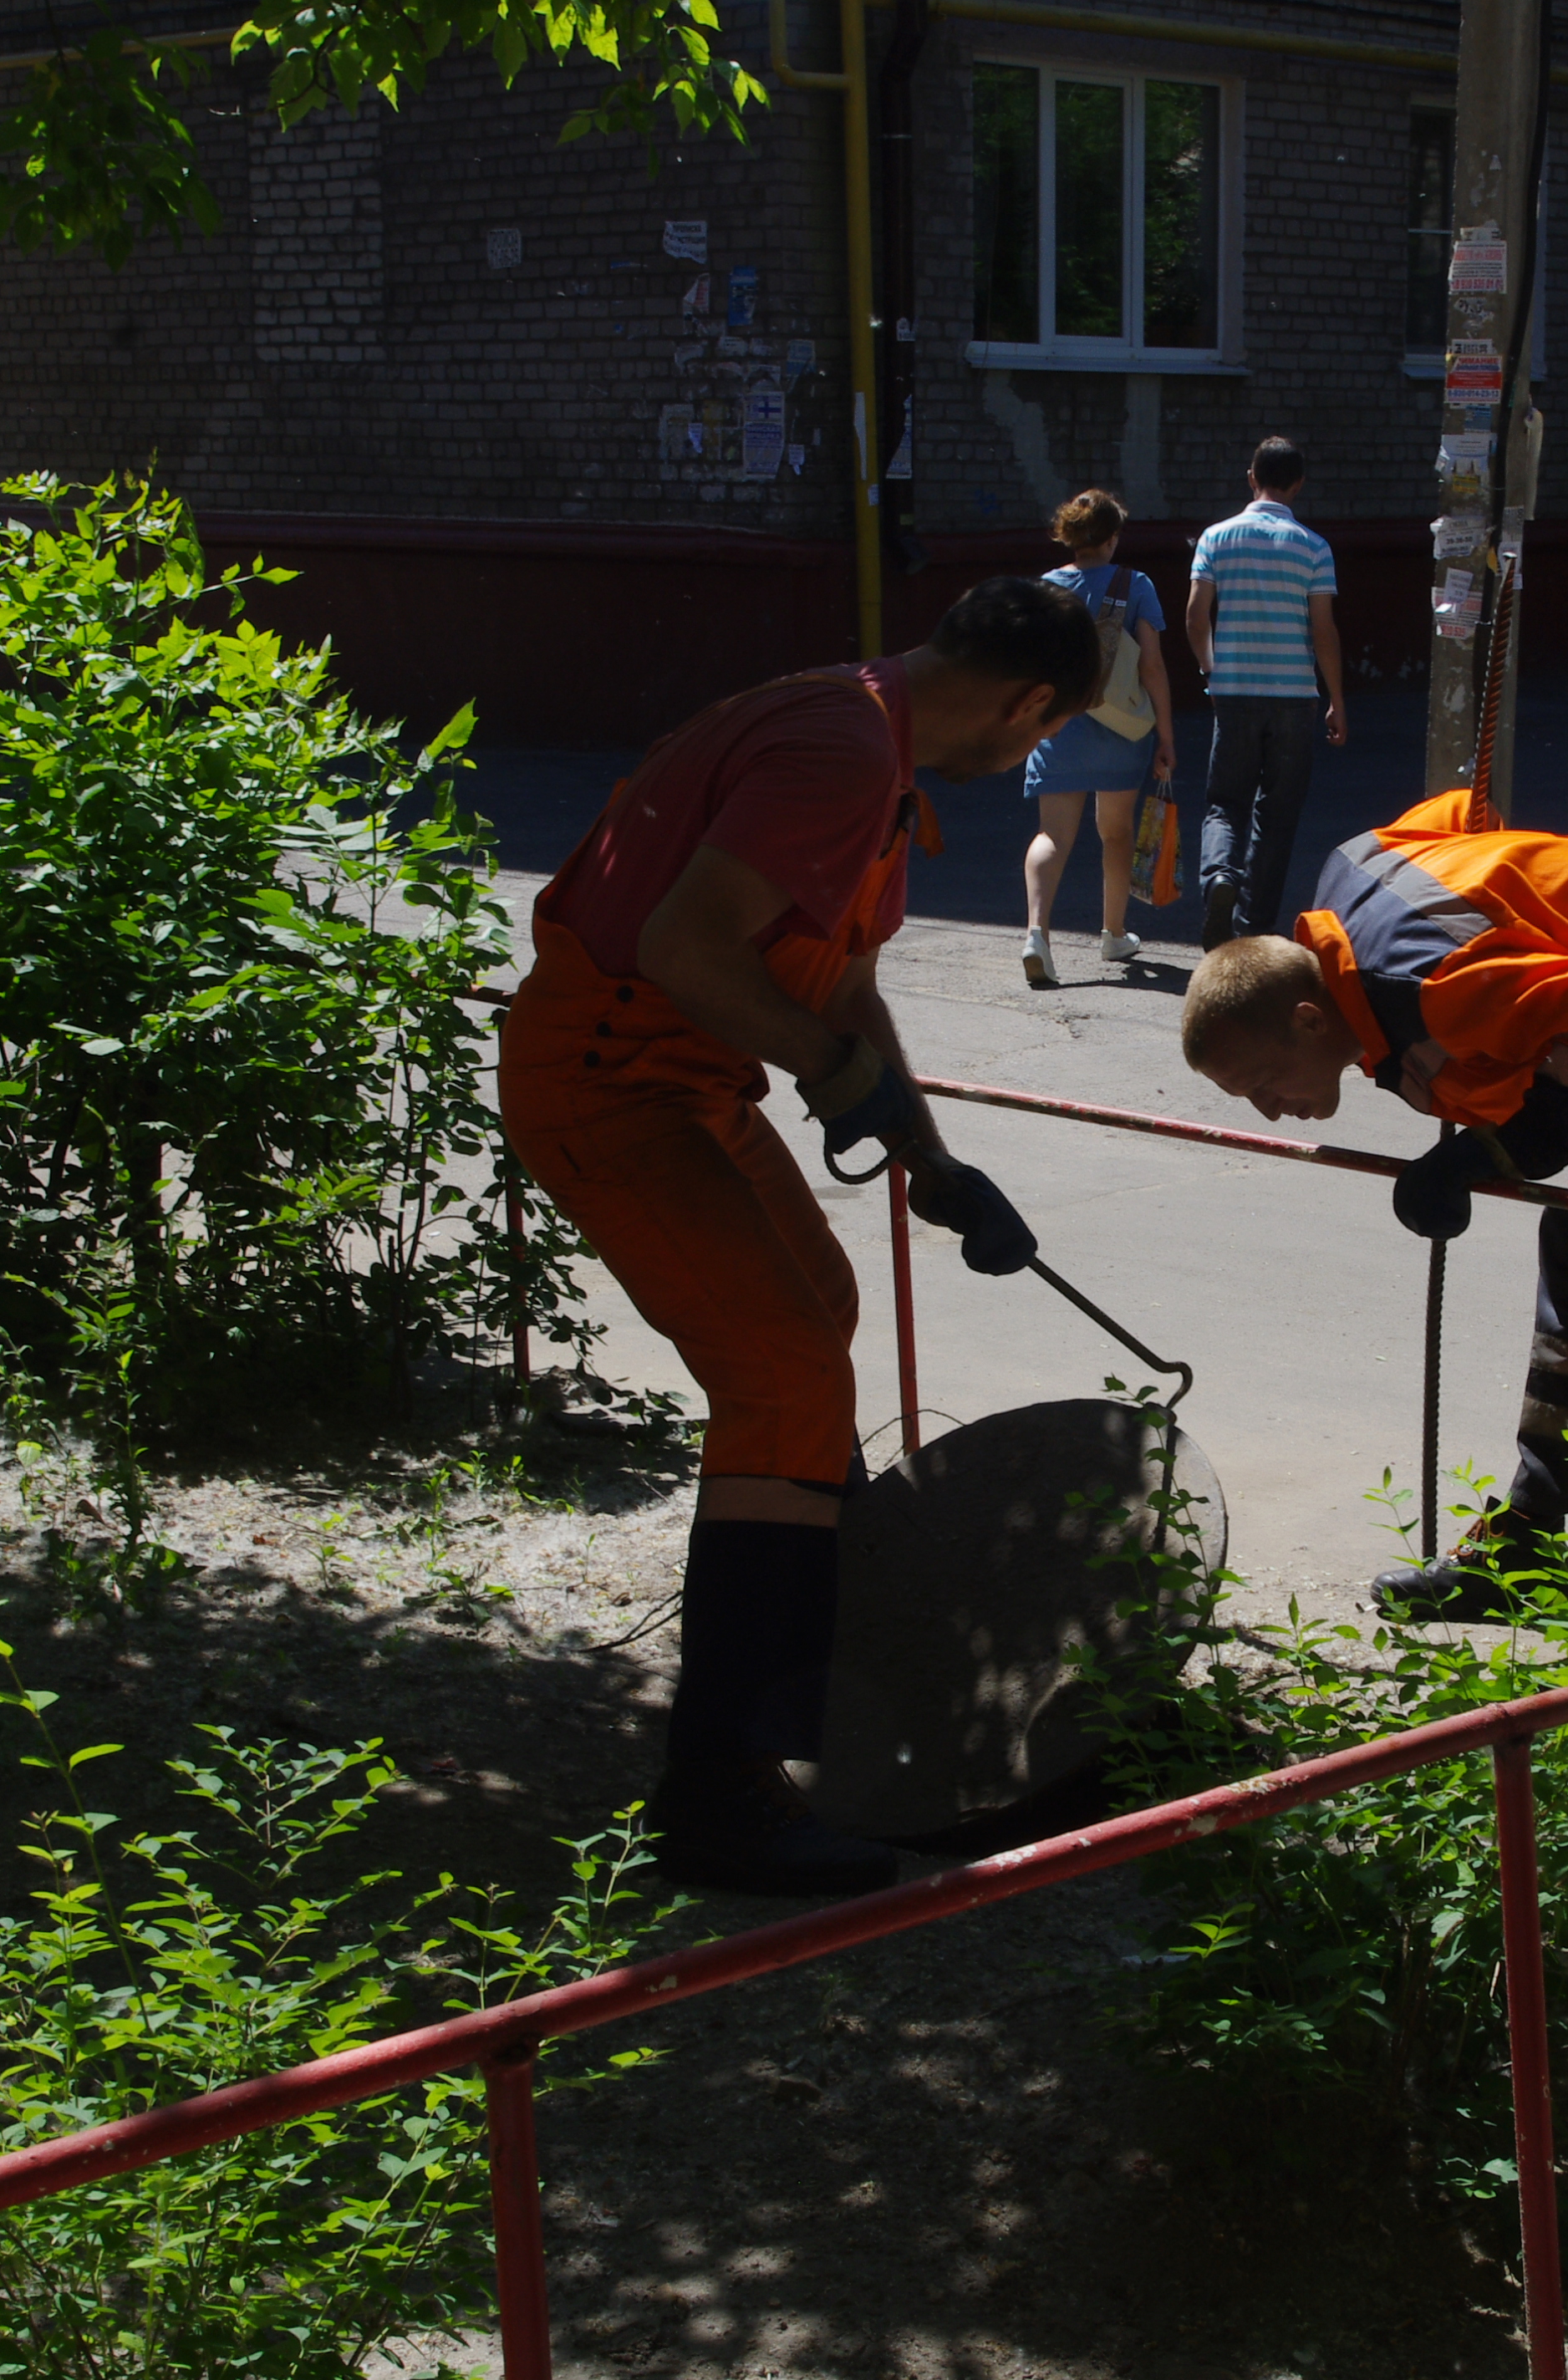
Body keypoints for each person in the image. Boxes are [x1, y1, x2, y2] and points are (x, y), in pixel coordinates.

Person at [499, 578, 1102, 1896]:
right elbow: (685, 947)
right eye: (1042, 737)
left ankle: (810, 1675)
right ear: (1030, 706)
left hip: (686, 1086)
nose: (1028, 757)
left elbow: (843, 983)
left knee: (814, 1316)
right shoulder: (839, 750)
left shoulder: (862, 734)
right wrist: (835, 1075)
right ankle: (721, 1797)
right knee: (781, 1373)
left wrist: (937, 1168)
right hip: (611, 1079)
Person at [1177, 791, 1568, 1631]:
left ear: (1305, 1018)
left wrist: (1491, 1152)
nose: (1266, 1109)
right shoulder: (1345, 887)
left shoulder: (1429, 983)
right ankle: (1532, 1542)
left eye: (1262, 1082)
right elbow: (1459, 813)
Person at [1184, 435, 1347, 948]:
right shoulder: (1314, 548)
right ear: (1297, 485)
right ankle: (1255, 926)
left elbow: (1194, 615)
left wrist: (1210, 670)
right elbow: (1323, 629)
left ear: (1251, 477)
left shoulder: (1215, 538)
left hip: (1232, 693)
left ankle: (1220, 879)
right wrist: (1336, 699)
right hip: (1295, 696)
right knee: (1278, 812)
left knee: (1223, 803)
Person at [1019, 488, 1177, 988]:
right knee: (1115, 832)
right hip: (1120, 732)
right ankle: (1113, 932)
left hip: (1058, 726)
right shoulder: (1136, 584)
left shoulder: (1046, 588)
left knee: (1051, 836)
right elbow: (1150, 665)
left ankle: (1035, 934)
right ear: (1111, 538)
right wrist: (1166, 736)